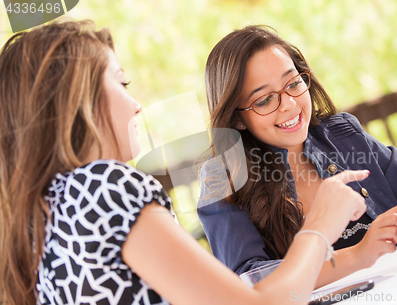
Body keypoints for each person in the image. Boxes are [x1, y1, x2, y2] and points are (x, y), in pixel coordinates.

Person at [0, 20, 368, 305]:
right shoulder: (104, 187)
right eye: (122, 84)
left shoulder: (45, 212)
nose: (136, 105)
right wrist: (319, 227)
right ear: (76, 104)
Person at [197, 25, 397, 288]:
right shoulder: (222, 180)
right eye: (264, 100)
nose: (289, 104)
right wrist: (357, 255)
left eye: (293, 83)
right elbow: (252, 283)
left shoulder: (342, 135)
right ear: (237, 118)